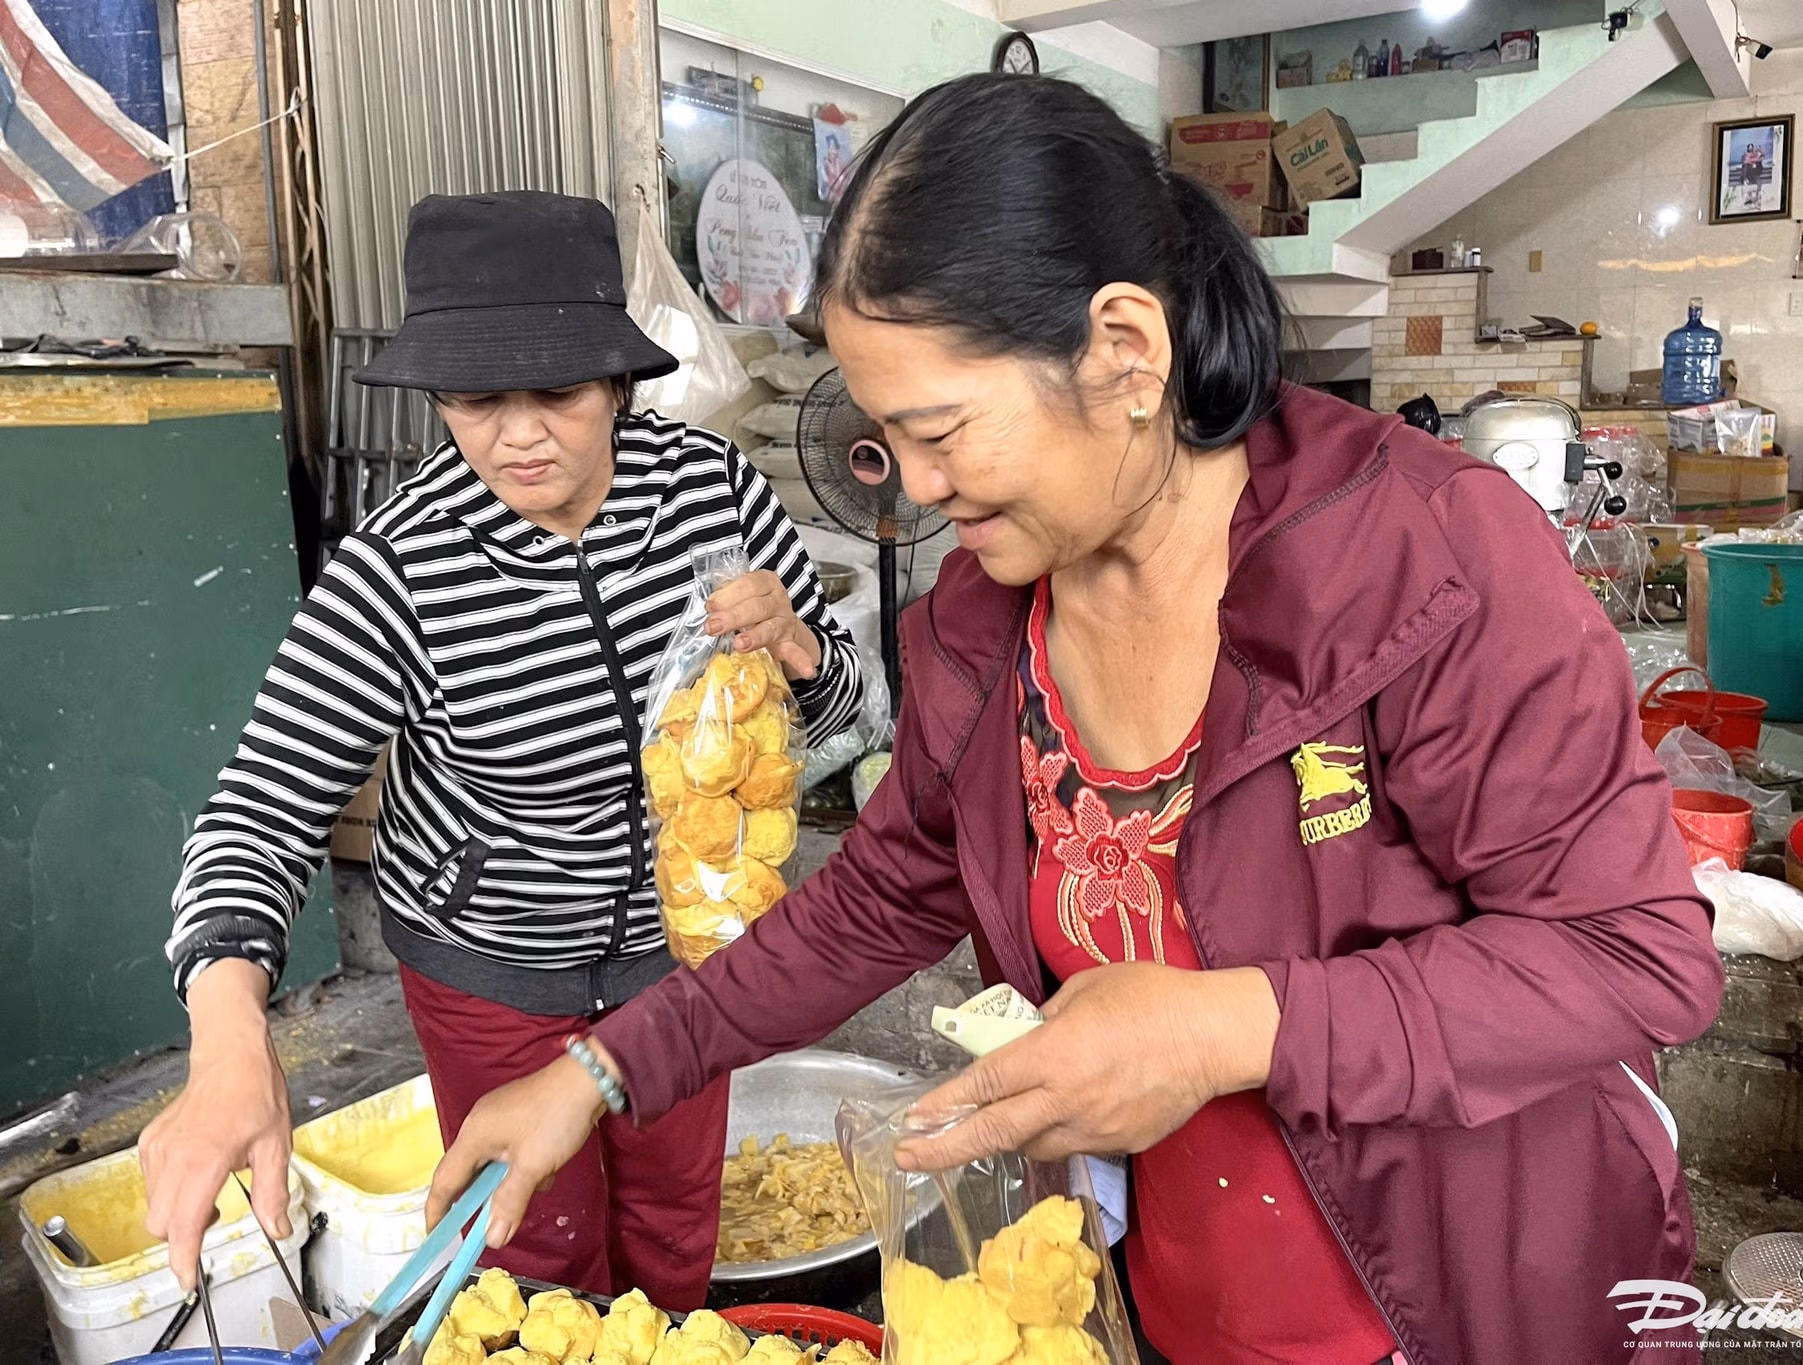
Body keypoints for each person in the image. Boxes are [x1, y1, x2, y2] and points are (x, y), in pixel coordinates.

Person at [431, 80, 1724, 1362]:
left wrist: (1219, 1029)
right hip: (1169, 1302)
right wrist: (600, 1071)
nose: (917, 486)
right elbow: (879, 896)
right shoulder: (985, 629)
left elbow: (1630, 955)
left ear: (1124, 350)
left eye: (940, 429)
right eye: (886, 437)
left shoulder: (1419, 560)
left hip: (1469, 1300)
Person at [139, 191, 866, 1309]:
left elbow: (846, 721)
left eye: (560, 393)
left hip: (684, 964)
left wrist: (803, 651)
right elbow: (258, 812)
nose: (520, 436)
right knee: (537, 1250)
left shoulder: (714, 495)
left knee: (677, 1224)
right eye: (477, 400)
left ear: (617, 384)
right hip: (492, 968)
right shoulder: (399, 568)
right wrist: (229, 1032)